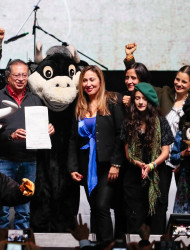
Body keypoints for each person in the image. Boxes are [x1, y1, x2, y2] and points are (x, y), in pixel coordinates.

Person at [123, 43, 190, 234]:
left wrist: (183, 154)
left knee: (184, 205)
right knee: (160, 203)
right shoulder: (165, 93)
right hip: (162, 159)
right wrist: (130, 60)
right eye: (177, 79)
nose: (179, 84)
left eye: (184, 82)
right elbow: (142, 86)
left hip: (183, 158)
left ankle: (181, 240)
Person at [0, 59, 55, 230]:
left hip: (29, 161)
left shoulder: (35, 99)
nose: (21, 79)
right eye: (17, 75)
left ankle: (20, 246)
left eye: (24, 75)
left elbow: (42, 125)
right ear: (8, 77)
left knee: (23, 210)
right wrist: (10, 135)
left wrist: (49, 128)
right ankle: (1, 245)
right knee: (2, 209)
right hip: (3, 161)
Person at [67, 65, 124, 241]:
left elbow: (120, 134)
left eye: (92, 79)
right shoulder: (79, 106)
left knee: (102, 206)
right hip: (86, 166)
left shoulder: (112, 101)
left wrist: (116, 163)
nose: (88, 84)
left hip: (107, 166)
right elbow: (72, 140)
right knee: (94, 208)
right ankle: (98, 244)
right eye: (84, 80)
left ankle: (107, 245)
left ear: (100, 80)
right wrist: (72, 167)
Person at [121, 82, 174, 233]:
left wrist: (151, 165)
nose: (140, 102)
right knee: (135, 222)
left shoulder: (161, 121)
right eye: (137, 98)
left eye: (144, 98)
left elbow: (165, 152)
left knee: (157, 222)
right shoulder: (128, 122)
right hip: (134, 177)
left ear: (150, 100)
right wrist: (140, 165)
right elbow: (127, 154)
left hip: (157, 176)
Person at [170, 101, 190, 213]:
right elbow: (173, 157)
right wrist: (183, 154)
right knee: (182, 220)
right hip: (185, 182)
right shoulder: (182, 133)